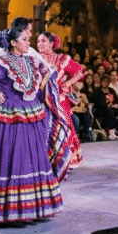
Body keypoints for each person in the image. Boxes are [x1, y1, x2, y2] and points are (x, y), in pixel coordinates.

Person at [0, 18, 70, 223]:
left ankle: (34, 208)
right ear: (14, 42)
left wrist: (41, 91)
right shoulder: (1, 63)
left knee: (33, 159)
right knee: (12, 159)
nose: (28, 42)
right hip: (10, 117)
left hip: (32, 115)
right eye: (25, 39)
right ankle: (11, 210)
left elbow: (48, 73)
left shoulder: (32, 60)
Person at [38, 32, 85, 165]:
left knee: (63, 128)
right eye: (38, 41)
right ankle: (45, 162)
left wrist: (67, 84)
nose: (39, 44)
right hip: (40, 99)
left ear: (51, 44)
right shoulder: (33, 58)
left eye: (43, 41)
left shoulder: (61, 59)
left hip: (58, 100)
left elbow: (79, 72)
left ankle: (65, 161)